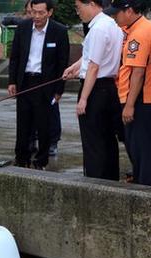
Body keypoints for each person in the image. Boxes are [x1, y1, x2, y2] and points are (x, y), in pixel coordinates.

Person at [63, 0, 122, 180]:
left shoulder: (97, 29)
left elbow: (94, 66)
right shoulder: (111, 24)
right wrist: (75, 67)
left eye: (78, 7)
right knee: (108, 139)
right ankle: (110, 180)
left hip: (96, 89)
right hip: (109, 88)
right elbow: (91, 57)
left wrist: (83, 99)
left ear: (91, 4)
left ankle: (95, 182)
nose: (78, 12)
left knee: (93, 141)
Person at [8, 0, 69, 170]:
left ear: (49, 12)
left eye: (41, 12)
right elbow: (15, 57)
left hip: (46, 84)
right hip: (25, 81)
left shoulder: (59, 31)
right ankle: (21, 158)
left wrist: (59, 90)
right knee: (23, 123)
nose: (36, 16)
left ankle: (41, 161)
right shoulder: (23, 28)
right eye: (34, 12)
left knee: (43, 125)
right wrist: (12, 81)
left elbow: (62, 62)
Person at [107, 0, 151, 185]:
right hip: (140, 98)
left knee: (141, 148)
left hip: (140, 99)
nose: (114, 16)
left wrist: (130, 105)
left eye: (117, 13)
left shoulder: (139, 34)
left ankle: (143, 187)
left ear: (130, 11)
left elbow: (138, 72)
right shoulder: (136, 29)